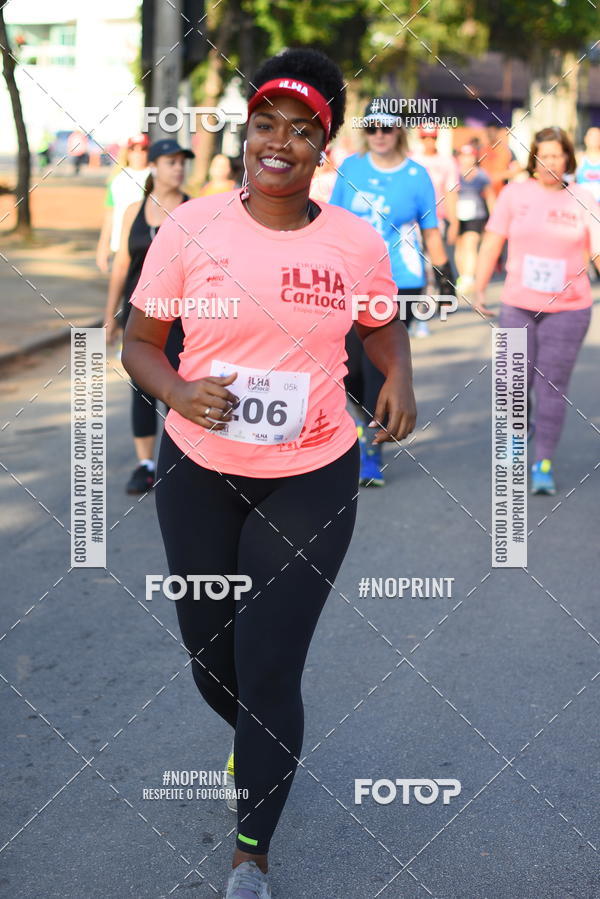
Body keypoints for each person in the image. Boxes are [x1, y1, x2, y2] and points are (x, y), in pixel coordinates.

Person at [121, 48, 416, 899]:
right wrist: (178, 388)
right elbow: (139, 343)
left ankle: (251, 852)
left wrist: (396, 375)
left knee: (271, 663)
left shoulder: (354, 241)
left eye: (302, 130)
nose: (278, 143)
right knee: (213, 662)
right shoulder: (189, 228)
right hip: (199, 467)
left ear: (324, 147)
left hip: (313, 473)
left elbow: (380, 328)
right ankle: (254, 740)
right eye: (265, 125)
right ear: (245, 133)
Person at [329, 99, 453, 485]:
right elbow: (331, 222)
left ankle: (370, 451)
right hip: (349, 280)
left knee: (376, 368)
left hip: (400, 281)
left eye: (387, 128)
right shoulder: (350, 167)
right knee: (345, 366)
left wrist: (445, 274)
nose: (379, 135)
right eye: (372, 128)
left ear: (399, 130)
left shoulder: (417, 175)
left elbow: (430, 229)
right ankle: (361, 425)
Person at [474, 126, 599, 495]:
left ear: (568, 159)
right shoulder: (515, 194)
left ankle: (542, 462)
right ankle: (516, 444)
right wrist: (479, 287)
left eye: (558, 155)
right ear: (533, 160)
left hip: (569, 308)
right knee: (512, 385)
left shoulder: (584, 199)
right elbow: (492, 242)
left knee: (551, 387)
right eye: (543, 155)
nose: (550, 162)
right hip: (518, 304)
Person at [103, 139, 193, 494]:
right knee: (141, 387)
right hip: (139, 314)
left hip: (182, 316)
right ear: (154, 166)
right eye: (171, 162)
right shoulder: (132, 211)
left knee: (177, 381)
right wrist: (110, 314)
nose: (179, 168)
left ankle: (181, 460)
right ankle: (146, 464)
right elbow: (122, 265)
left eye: (182, 162)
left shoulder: (194, 210)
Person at [96, 134, 150, 273]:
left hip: (146, 245)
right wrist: (103, 246)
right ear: (128, 152)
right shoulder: (117, 179)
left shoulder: (155, 177)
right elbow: (110, 214)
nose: (138, 154)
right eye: (134, 149)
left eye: (143, 149)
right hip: (120, 245)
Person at [454, 143, 496, 296]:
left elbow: (490, 196)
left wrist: (494, 217)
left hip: (476, 214)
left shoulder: (481, 175)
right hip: (457, 215)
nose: (466, 159)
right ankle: (462, 275)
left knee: (470, 243)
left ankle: (469, 277)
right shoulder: (454, 173)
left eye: (470, 156)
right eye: (463, 156)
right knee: (459, 246)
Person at [411, 126, 459, 245]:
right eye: (425, 137)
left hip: (437, 218)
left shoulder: (447, 161)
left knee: (434, 260)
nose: (428, 141)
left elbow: (451, 192)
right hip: (413, 218)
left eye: (432, 137)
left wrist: (454, 222)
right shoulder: (412, 160)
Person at [478, 121, 520, 198]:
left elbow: (516, 170)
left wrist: (499, 176)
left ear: (498, 132)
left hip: (501, 193)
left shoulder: (507, 150)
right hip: (483, 194)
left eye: (493, 131)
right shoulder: (481, 150)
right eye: (488, 131)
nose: (490, 134)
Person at [575, 126, 600, 203]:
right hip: (582, 205)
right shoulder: (578, 158)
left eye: (597, 136)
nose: (594, 139)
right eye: (591, 136)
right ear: (585, 139)